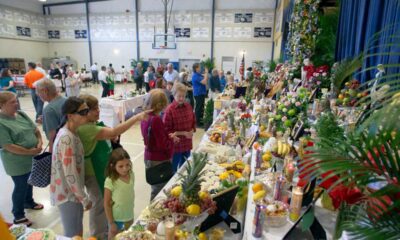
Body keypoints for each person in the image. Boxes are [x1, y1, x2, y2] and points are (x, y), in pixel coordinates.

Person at [77, 94, 150, 239]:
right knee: (99, 204)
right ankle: (97, 235)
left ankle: (105, 228)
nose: (98, 111)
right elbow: (114, 132)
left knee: (106, 201)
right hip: (93, 172)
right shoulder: (86, 128)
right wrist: (136, 117)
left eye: (98, 107)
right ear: (85, 112)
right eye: (94, 109)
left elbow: (109, 132)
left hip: (102, 168)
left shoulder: (93, 124)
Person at [0, 92, 44, 226]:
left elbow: (35, 130)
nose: (16, 104)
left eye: (16, 101)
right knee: (20, 186)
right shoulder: (1, 123)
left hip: (31, 157)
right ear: (2, 105)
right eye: (12, 102)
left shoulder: (21, 114)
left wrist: (39, 143)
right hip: (17, 162)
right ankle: (18, 215)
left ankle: (28, 201)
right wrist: (30, 151)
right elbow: (8, 146)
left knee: (29, 181)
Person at [50, 97, 92, 237]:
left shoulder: (71, 132)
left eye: (88, 110)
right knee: (73, 234)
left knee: (76, 229)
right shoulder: (66, 139)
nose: (87, 114)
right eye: (83, 112)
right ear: (70, 116)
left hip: (72, 192)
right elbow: (70, 174)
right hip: (68, 194)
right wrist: (84, 198)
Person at [140, 89, 175, 200]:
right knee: (159, 191)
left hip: (149, 156)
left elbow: (153, 138)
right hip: (158, 159)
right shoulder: (156, 120)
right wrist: (171, 140)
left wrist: (167, 137)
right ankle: (154, 214)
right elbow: (162, 145)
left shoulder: (145, 116)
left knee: (155, 187)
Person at [163, 83, 196, 172]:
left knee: (185, 168)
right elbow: (166, 131)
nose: (181, 98)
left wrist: (192, 130)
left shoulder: (188, 106)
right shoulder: (169, 110)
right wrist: (183, 133)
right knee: (173, 170)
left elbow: (193, 122)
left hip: (187, 144)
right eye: (179, 96)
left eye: (183, 96)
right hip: (175, 146)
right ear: (173, 95)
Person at [104, 148, 134, 239]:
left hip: (129, 216)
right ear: (113, 166)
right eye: (120, 166)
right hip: (117, 220)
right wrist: (111, 223)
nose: (125, 169)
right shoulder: (110, 180)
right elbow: (106, 203)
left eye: (127, 165)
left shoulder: (131, 174)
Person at [35, 79, 66, 152]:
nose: (38, 95)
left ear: (45, 91)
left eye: (38, 93)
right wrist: (46, 120)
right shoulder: (66, 100)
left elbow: (52, 137)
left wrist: (51, 154)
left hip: (60, 146)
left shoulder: (49, 110)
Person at [192, 63, 208, 127]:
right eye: (199, 67)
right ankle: (197, 123)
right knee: (198, 108)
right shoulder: (195, 76)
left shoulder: (198, 74)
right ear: (196, 68)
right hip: (198, 93)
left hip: (201, 93)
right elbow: (204, 82)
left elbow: (205, 77)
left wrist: (206, 74)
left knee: (201, 108)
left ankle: (200, 122)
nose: (200, 68)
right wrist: (206, 72)